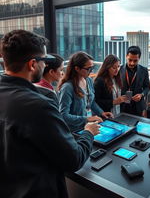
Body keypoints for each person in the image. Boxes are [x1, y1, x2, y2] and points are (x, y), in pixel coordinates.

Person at [0, 30, 100, 198]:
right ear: (33, 64)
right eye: (44, 60)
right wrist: (88, 133)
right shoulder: (39, 106)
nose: (45, 65)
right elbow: (73, 159)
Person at [58, 51, 113, 132]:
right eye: (88, 69)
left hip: (87, 127)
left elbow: (91, 102)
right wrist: (87, 119)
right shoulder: (67, 88)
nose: (91, 71)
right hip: (74, 131)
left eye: (92, 68)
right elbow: (63, 115)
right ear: (77, 68)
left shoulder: (89, 80)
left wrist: (101, 112)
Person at [120, 46, 150, 116]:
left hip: (137, 106)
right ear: (126, 56)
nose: (132, 63)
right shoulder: (119, 69)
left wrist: (141, 95)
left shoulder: (144, 70)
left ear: (139, 58)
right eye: (130, 60)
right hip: (122, 105)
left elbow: (147, 87)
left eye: (135, 61)